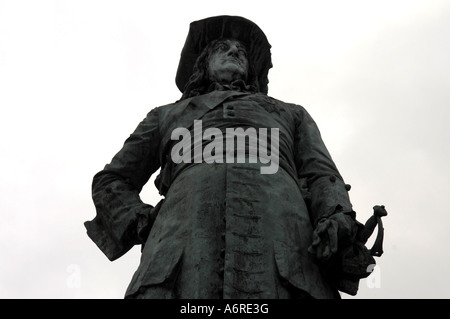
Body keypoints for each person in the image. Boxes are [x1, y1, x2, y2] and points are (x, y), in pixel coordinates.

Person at [85, 15, 377, 299]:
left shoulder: (291, 113)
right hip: (180, 251)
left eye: (241, 52)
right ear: (204, 64)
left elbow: (321, 175)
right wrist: (141, 221)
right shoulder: (165, 116)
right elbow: (112, 180)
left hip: (287, 253)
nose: (235, 52)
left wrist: (336, 216)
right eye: (223, 49)